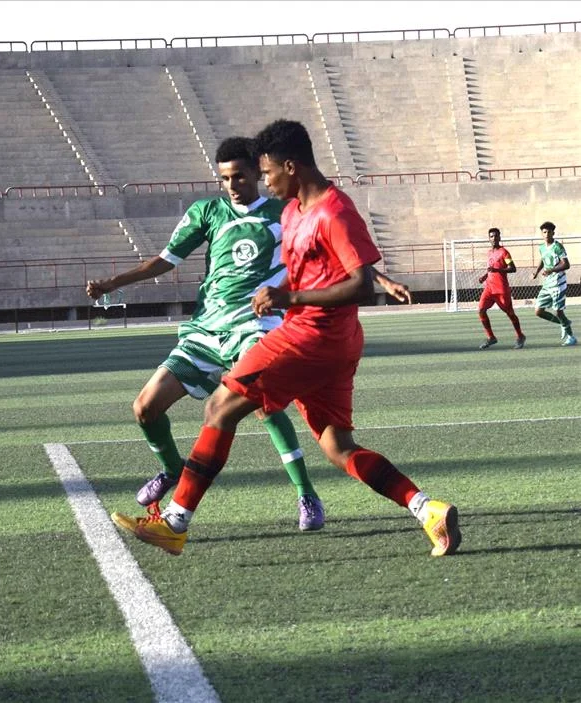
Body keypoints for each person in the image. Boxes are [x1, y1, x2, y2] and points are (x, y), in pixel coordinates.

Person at [111, 120, 460, 558]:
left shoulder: (334, 211)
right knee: (338, 447)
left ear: (291, 166)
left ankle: (175, 522)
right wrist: (282, 290)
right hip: (332, 345)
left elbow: (358, 285)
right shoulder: (293, 211)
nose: (265, 181)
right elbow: (319, 269)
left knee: (220, 407)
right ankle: (427, 509)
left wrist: (288, 296)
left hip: (311, 336)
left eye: (268, 172)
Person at [477, 227, 526, 349]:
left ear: (499, 237)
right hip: (489, 288)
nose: (494, 238)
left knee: (510, 313)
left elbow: (512, 268)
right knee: (481, 310)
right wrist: (484, 276)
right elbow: (491, 269)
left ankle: (520, 336)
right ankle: (491, 337)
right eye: (491, 236)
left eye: (496, 236)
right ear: (489, 239)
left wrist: (497, 270)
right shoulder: (489, 252)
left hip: (501, 289)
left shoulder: (504, 252)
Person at [532, 221, 576, 346]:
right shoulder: (541, 247)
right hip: (547, 284)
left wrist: (551, 270)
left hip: (558, 283)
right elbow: (542, 259)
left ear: (553, 233)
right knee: (538, 311)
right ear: (542, 234)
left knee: (558, 312)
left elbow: (566, 264)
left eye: (549, 232)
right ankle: (564, 323)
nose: (547, 234)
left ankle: (571, 337)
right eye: (544, 232)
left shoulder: (557, 246)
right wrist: (536, 272)